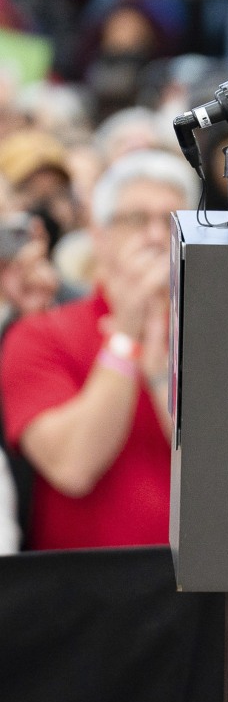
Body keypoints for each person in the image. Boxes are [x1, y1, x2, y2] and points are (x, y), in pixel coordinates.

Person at [0, 149, 197, 550]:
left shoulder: (218, 334)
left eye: (173, 222)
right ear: (99, 235)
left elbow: (219, 479)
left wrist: (162, 375)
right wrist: (125, 338)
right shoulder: (41, 333)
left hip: (203, 589)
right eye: (137, 220)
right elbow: (73, 466)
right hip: (85, 592)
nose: (158, 237)